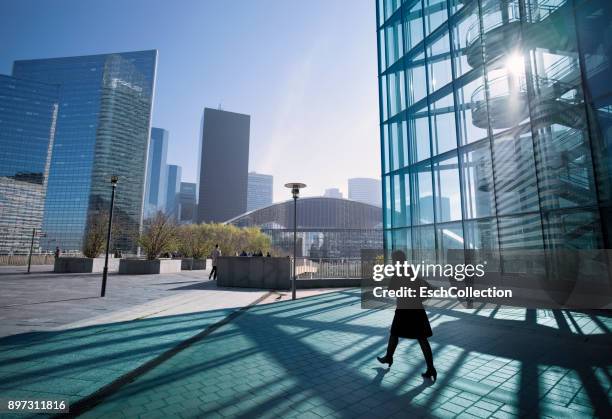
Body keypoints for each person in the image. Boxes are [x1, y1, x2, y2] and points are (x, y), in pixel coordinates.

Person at [377, 250, 437, 382]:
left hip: (404, 309)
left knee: (394, 333)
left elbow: (391, 290)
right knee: (422, 339)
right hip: (416, 309)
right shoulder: (411, 270)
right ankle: (431, 368)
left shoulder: (398, 272)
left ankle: (389, 357)